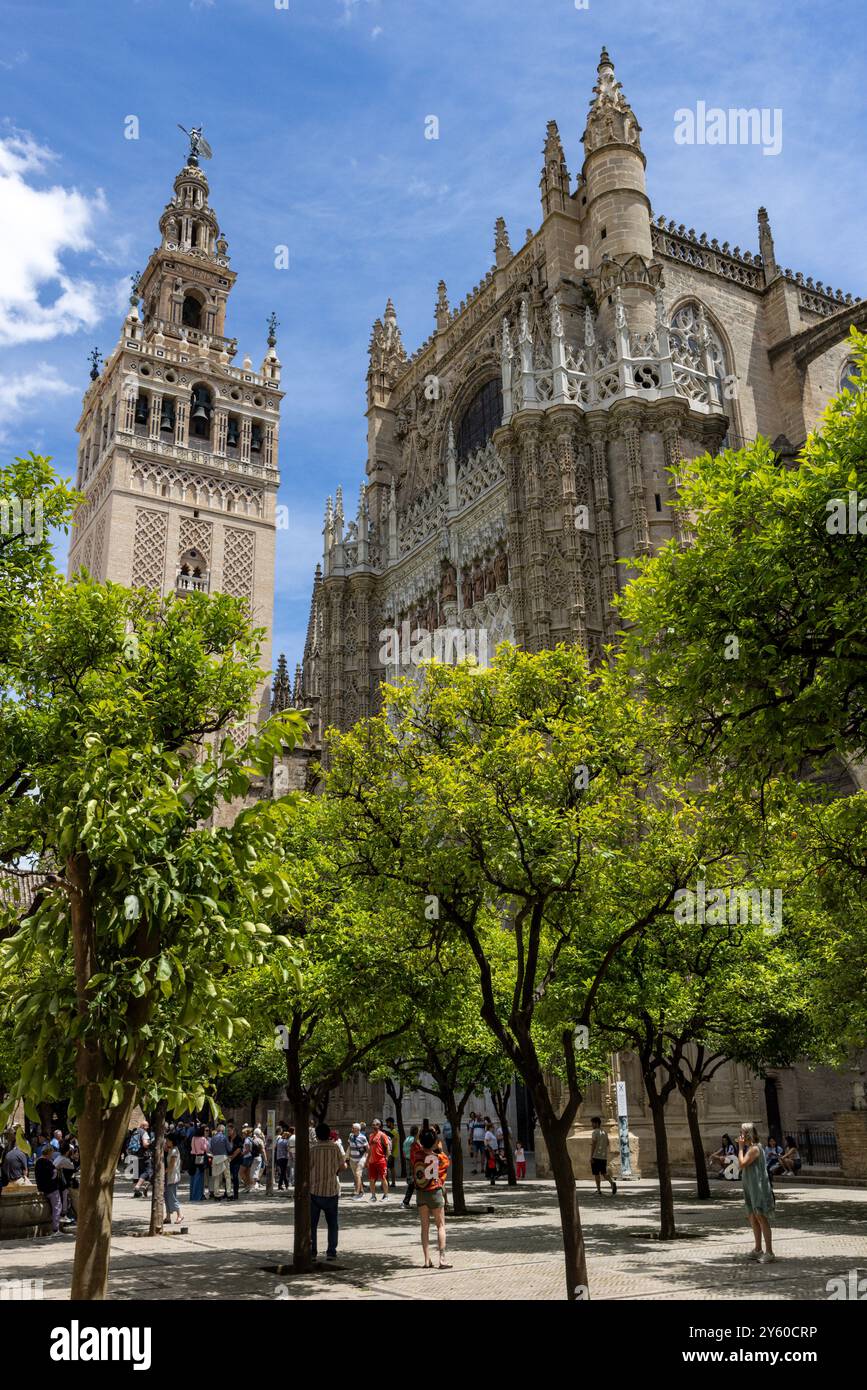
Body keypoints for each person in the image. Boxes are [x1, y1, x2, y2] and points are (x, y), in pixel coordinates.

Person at [411, 1128, 451, 1269]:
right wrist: (439, 1149)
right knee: (440, 1225)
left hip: (421, 1193)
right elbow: (447, 1163)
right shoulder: (439, 1157)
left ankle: (427, 1260)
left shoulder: (416, 1156)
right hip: (435, 1192)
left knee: (424, 1227)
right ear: (434, 1142)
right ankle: (442, 1258)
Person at [309, 1121, 347, 1261]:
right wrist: (334, 1171)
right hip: (331, 1190)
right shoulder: (335, 1148)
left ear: (317, 1136)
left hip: (314, 1191)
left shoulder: (312, 1150)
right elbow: (343, 1166)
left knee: (312, 1224)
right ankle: (331, 1251)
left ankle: (312, 1251)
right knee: (332, 1223)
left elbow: (307, 1168)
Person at [738, 1122, 775, 1262]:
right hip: (750, 1186)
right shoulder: (750, 1148)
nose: (740, 1135)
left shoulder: (754, 1149)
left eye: (741, 1132)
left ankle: (770, 1252)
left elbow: (741, 1164)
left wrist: (740, 1148)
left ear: (747, 1134)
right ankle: (758, 1248)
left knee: (761, 1217)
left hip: (757, 1187)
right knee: (752, 1217)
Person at [34, 1144, 64, 1235]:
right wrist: (56, 1170)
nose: (52, 1155)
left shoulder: (38, 1162)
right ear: (49, 1152)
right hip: (52, 1189)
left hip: (42, 1188)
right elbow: (53, 1176)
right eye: (51, 1153)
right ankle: (55, 1229)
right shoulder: (47, 1162)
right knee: (57, 1207)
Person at [590, 1117, 617, 1196]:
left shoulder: (595, 1132)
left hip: (596, 1156)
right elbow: (608, 1143)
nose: (592, 1125)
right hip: (603, 1156)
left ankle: (598, 1190)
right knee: (604, 1173)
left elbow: (594, 1144)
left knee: (596, 1174)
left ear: (597, 1123)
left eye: (593, 1123)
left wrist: (591, 1156)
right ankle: (612, 1182)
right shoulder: (604, 1132)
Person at [367, 1119, 390, 1202]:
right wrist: (367, 1160)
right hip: (372, 1161)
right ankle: (373, 1196)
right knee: (371, 1179)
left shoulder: (382, 1135)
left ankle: (386, 1195)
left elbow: (387, 1147)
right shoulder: (370, 1135)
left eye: (376, 1124)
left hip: (381, 1160)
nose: (374, 1126)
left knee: (383, 1178)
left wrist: (387, 1157)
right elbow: (369, 1149)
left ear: (379, 1125)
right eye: (373, 1124)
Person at [164, 1136, 183, 1225]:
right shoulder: (171, 1150)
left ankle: (180, 1215)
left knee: (172, 1196)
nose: (166, 1142)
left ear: (172, 1141)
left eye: (168, 1140)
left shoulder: (174, 1150)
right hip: (169, 1177)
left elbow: (172, 1165)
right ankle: (168, 1216)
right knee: (167, 1197)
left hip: (173, 1177)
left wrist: (163, 1171)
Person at [209, 1123, 230, 1199]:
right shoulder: (224, 1138)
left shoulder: (213, 1138)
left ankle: (216, 1193)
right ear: (223, 1130)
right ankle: (228, 1193)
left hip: (215, 1158)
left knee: (216, 1177)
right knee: (227, 1176)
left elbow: (210, 1149)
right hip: (224, 1157)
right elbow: (229, 1148)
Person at [347, 1122, 369, 1198]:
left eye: (353, 1128)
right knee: (356, 1176)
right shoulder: (350, 1136)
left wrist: (366, 1159)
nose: (351, 1129)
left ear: (357, 1129)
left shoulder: (363, 1137)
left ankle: (357, 1192)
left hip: (361, 1159)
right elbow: (349, 1146)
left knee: (357, 1174)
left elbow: (367, 1149)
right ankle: (362, 1192)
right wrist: (347, 1157)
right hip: (352, 1159)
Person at [189, 1124, 209, 1202]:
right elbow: (205, 1148)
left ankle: (192, 1196)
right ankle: (198, 1196)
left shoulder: (193, 1138)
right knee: (199, 1178)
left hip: (193, 1157)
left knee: (193, 1178)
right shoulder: (203, 1139)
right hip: (200, 1158)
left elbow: (191, 1146)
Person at [402, 1125, 419, 1208]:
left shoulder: (406, 1139)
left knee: (412, 1181)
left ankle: (407, 1201)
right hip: (413, 1161)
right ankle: (406, 1201)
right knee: (414, 1181)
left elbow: (404, 1151)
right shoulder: (415, 1140)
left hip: (407, 1160)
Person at [227, 1123, 243, 1200]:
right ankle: (228, 1193)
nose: (228, 1132)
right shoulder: (228, 1138)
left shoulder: (238, 1138)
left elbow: (239, 1149)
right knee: (228, 1177)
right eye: (227, 1131)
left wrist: (232, 1157)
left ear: (233, 1130)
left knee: (235, 1176)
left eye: (229, 1130)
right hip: (228, 1160)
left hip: (236, 1160)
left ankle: (236, 1194)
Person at [483, 1120, 499, 1186]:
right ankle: (490, 1174)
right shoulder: (488, 1133)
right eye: (493, 1127)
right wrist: (489, 1148)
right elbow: (486, 1141)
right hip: (490, 1150)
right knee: (491, 1162)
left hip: (493, 1150)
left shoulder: (491, 1133)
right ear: (490, 1127)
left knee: (491, 1162)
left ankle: (491, 1174)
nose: (494, 1128)